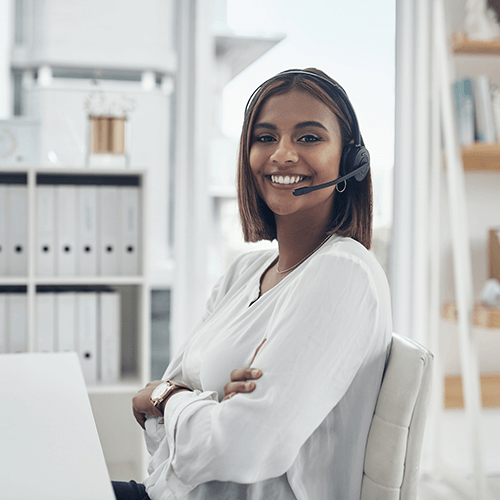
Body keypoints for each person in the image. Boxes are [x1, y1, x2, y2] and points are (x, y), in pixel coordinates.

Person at [113, 68, 392, 500]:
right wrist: (205, 406)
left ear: (351, 160)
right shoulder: (244, 272)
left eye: (309, 137)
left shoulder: (344, 273)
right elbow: (161, 435)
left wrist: (170, 398)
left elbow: (240, 446)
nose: (282, 155)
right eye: (265, 138)